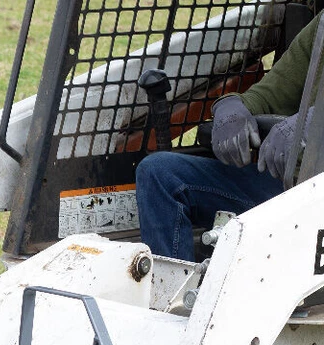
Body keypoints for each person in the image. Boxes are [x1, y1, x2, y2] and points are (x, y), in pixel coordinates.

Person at [136, 12, 321, 260]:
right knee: (159, 173)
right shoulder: (321, 27)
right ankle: (172, 294)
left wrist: (314, 123)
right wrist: (231, 106)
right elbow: (268, 95)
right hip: (292, 190)